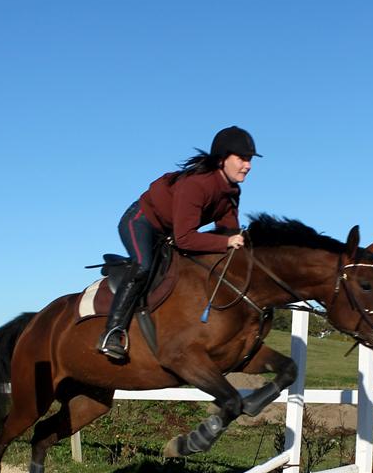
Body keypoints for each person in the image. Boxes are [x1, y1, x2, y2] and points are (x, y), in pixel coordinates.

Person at [98, 125, 261, 361]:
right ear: (222, 159)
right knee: (143, 266)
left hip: (170, 233)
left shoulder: (231, 191)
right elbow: (186, 239)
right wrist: (227, 241)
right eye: (243, 159)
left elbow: (228, 232)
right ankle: (112, 331)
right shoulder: (197, 184)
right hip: (141, 222)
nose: (248, 165)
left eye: (250, 160)